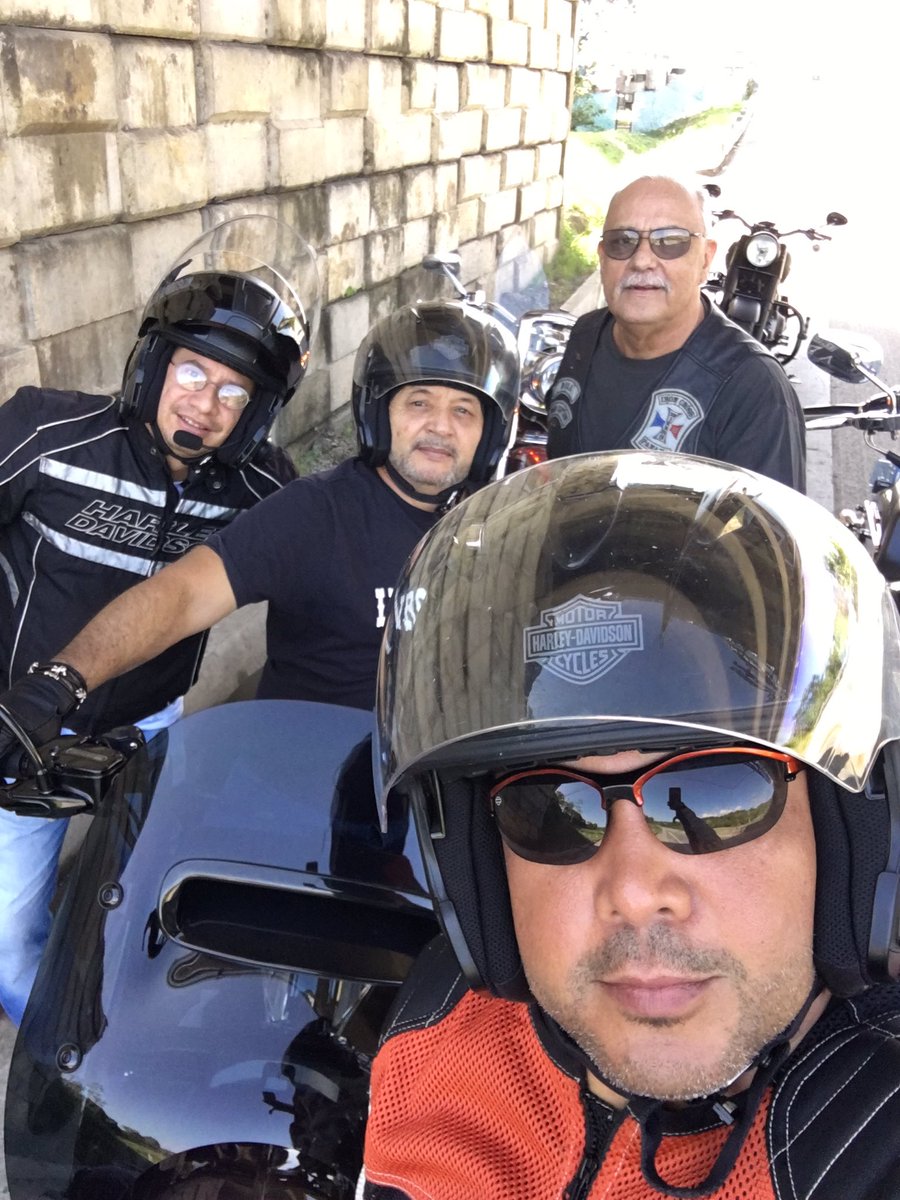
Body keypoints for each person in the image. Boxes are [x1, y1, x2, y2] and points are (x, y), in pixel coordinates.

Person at [363, 450, 900, 1198]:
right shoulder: (428, 1043)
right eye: (550, 810)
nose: (636, 892)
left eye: (713, 793)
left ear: (850, 830)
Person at [0, 214, 317, 1024]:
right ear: (152, 365)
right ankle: (52, 1050)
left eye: (234, 392)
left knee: (144, 904)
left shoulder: (261, 491)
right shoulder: (45, 433)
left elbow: (332, 562)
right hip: (24, 721)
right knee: (6, 938)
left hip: (148, 725)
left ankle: (119, 1035)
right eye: (192, 372)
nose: (206, 404)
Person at [546, 175, 807, 491]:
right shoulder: (585, 335)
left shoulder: (753, 388)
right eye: (622, 241)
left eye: (671, 242)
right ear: (602, 257)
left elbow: (766, 522)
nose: (642, 260)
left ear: (705, 260)